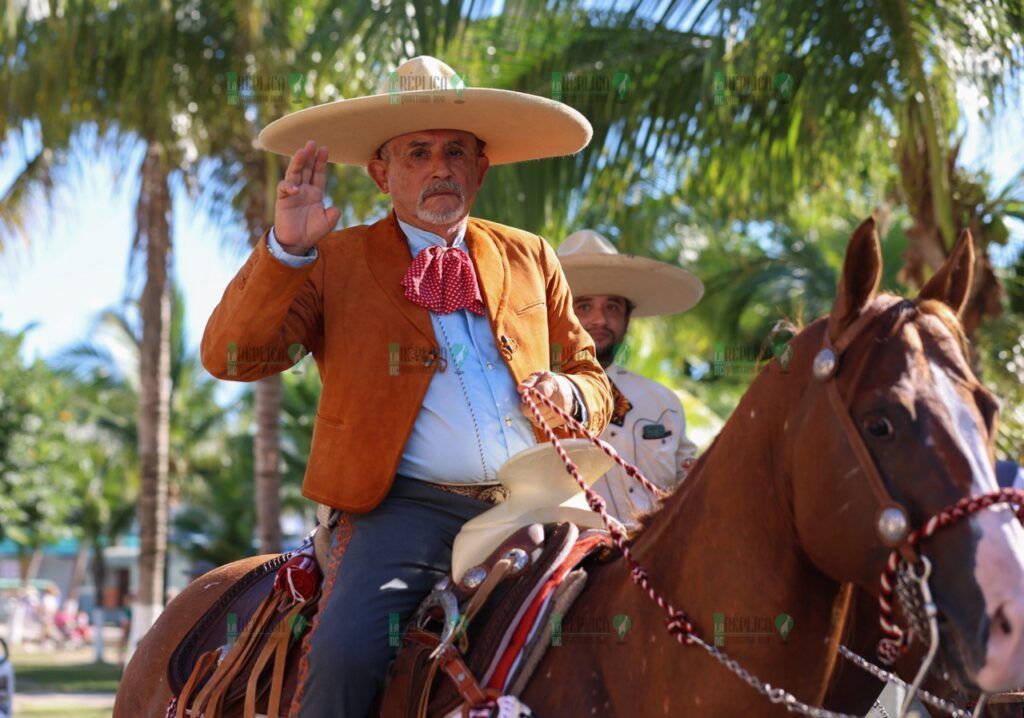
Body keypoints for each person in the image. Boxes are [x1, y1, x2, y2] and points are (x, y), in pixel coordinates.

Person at [200, 55, 613, 715]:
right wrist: (285, 251)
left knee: (638, 604)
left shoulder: (531, 254)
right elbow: (231, 357)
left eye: (455, 151)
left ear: (481, 167)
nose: (440, 167)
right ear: (380, 172)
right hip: (401, 511)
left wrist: (569, 394)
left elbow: (595, 383)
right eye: (417, 152)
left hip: (535, 497)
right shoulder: (333, 260)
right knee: (346, 655)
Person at [556, 229, 703, 528]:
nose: (600, 320)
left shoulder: (663, 402)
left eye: (612, 307)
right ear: (560, 314)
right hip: (575, 563)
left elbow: (691, 485)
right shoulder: (535, 398)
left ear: (627, 317)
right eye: (584, 307)